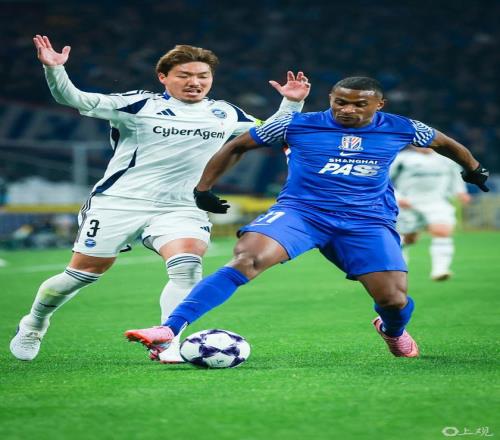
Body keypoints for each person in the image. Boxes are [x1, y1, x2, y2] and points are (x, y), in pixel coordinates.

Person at [124, 76, 489, 359]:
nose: (347, 110)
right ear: (330, 99)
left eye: (359, 104)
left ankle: (392, 330)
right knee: (247, 259)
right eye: (340, 102)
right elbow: (238, 145)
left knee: (393, 300)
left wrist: (472, 169)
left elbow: (445, 143)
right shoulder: (296, 124)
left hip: (366, 221)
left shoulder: (402, 127)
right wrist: (203, 189)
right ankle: (170, 329)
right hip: (301, 213)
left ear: (379, 104)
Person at [9, 35, 311, 362]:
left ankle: (168, 341)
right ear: (163, 77)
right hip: (119, 202)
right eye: (185, 75)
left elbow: (271, 130)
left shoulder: (224, 113)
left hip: (182, 206)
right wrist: (55, 70)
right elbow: (75, 98)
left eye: (203, 76)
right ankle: (35, 322)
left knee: (188, 266)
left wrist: (291, 103)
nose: (195, 82)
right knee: (81, 275)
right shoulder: (139, 105)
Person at [390, 147, 471, 281]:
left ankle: (440, 270)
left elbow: (456, 177)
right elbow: (385, 179)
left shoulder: (447, 159)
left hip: (437, 201)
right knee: (408, 238)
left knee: (442, 231)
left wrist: (461, 192)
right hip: (408, 203)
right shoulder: (401, 159)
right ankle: (398, 267)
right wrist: (397, 197)